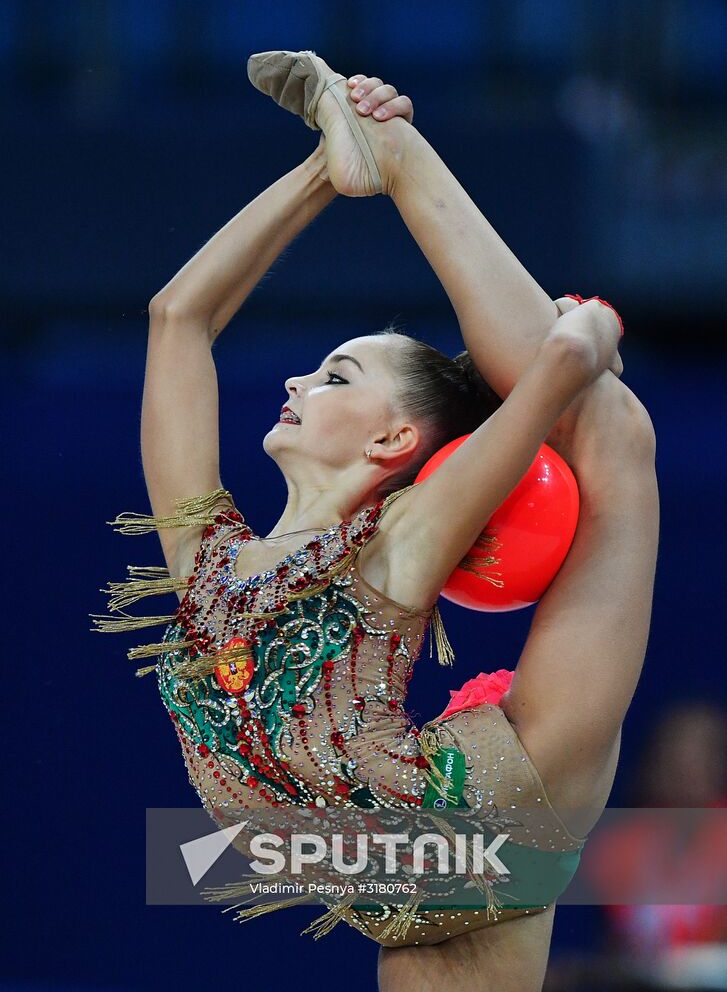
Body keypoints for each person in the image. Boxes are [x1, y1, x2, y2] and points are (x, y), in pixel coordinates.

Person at [93, 52, 659, 992]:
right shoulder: (205, 555)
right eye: (320, 371)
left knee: (608, 425)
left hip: (470, 818)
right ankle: (382, 152)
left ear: (398, 438)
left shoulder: (391, 543)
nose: (295, 382)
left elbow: (559, 367)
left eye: (334, 376)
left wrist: (592, 329)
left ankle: (405, 152)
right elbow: (176, 317)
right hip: (375, 877)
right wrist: (325, 165)